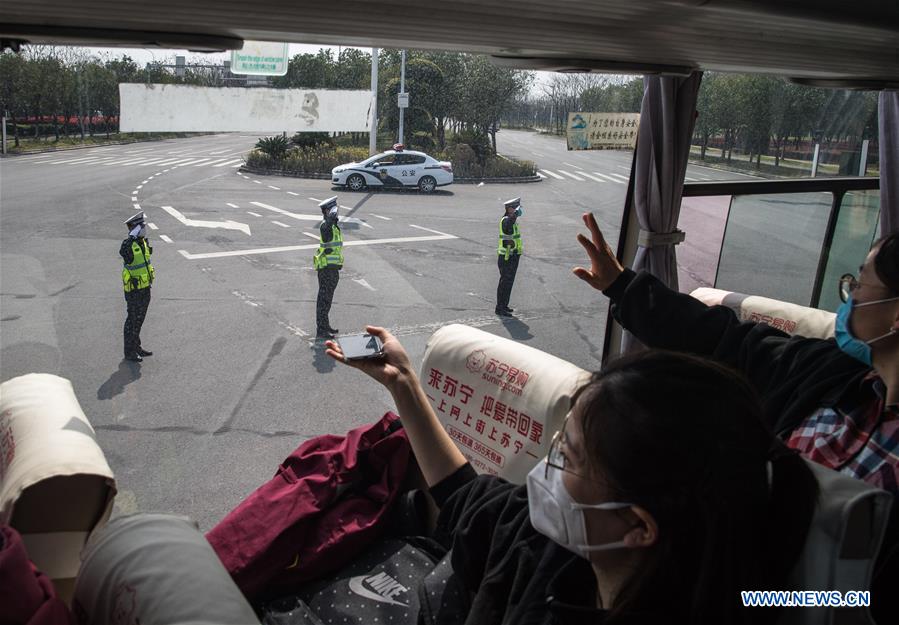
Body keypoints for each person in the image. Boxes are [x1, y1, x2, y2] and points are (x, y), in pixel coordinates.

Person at [325, 328, 818, 624]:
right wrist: (406, 386)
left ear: (639, 526)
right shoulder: (553, 551)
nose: (546, 466)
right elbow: (467, 499)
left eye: (570, 457)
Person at [572, 214, 899, 496]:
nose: (849, 296)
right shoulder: (832, 371)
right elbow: (725, 338)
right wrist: (622, 286)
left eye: (858, 286)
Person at [120, 211, 155, 362]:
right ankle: (129, 352)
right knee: (132, 320)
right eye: (142, 226)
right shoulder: (129, 245)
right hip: (134, 290)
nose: (144, 228)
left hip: (145, 288)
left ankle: (136, 347)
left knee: (139, 320)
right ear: (135, 228)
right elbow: (124, 252)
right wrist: (131, 237)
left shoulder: (142, 242)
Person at [314, 197, 343, 339]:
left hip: (332, 269)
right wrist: (331, 220)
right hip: (326, 269)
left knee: (327, 300)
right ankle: (321, 330)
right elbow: (326, 236)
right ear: (328, 211)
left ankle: (325, 326)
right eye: (334, 210)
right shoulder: (326, 226)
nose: (337, 212)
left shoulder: (332, 225)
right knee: (323, 300)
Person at [496, 197, 523, 316]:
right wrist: (515, 214)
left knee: (509, 283)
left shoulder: (512, 220)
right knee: (505, 283)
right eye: (516, 208)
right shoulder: (505, 220)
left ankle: (504, 305)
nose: (518, 211)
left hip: (513, 256)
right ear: (509, 209)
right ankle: (500, 308)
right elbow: (508, 225)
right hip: (506, 257)